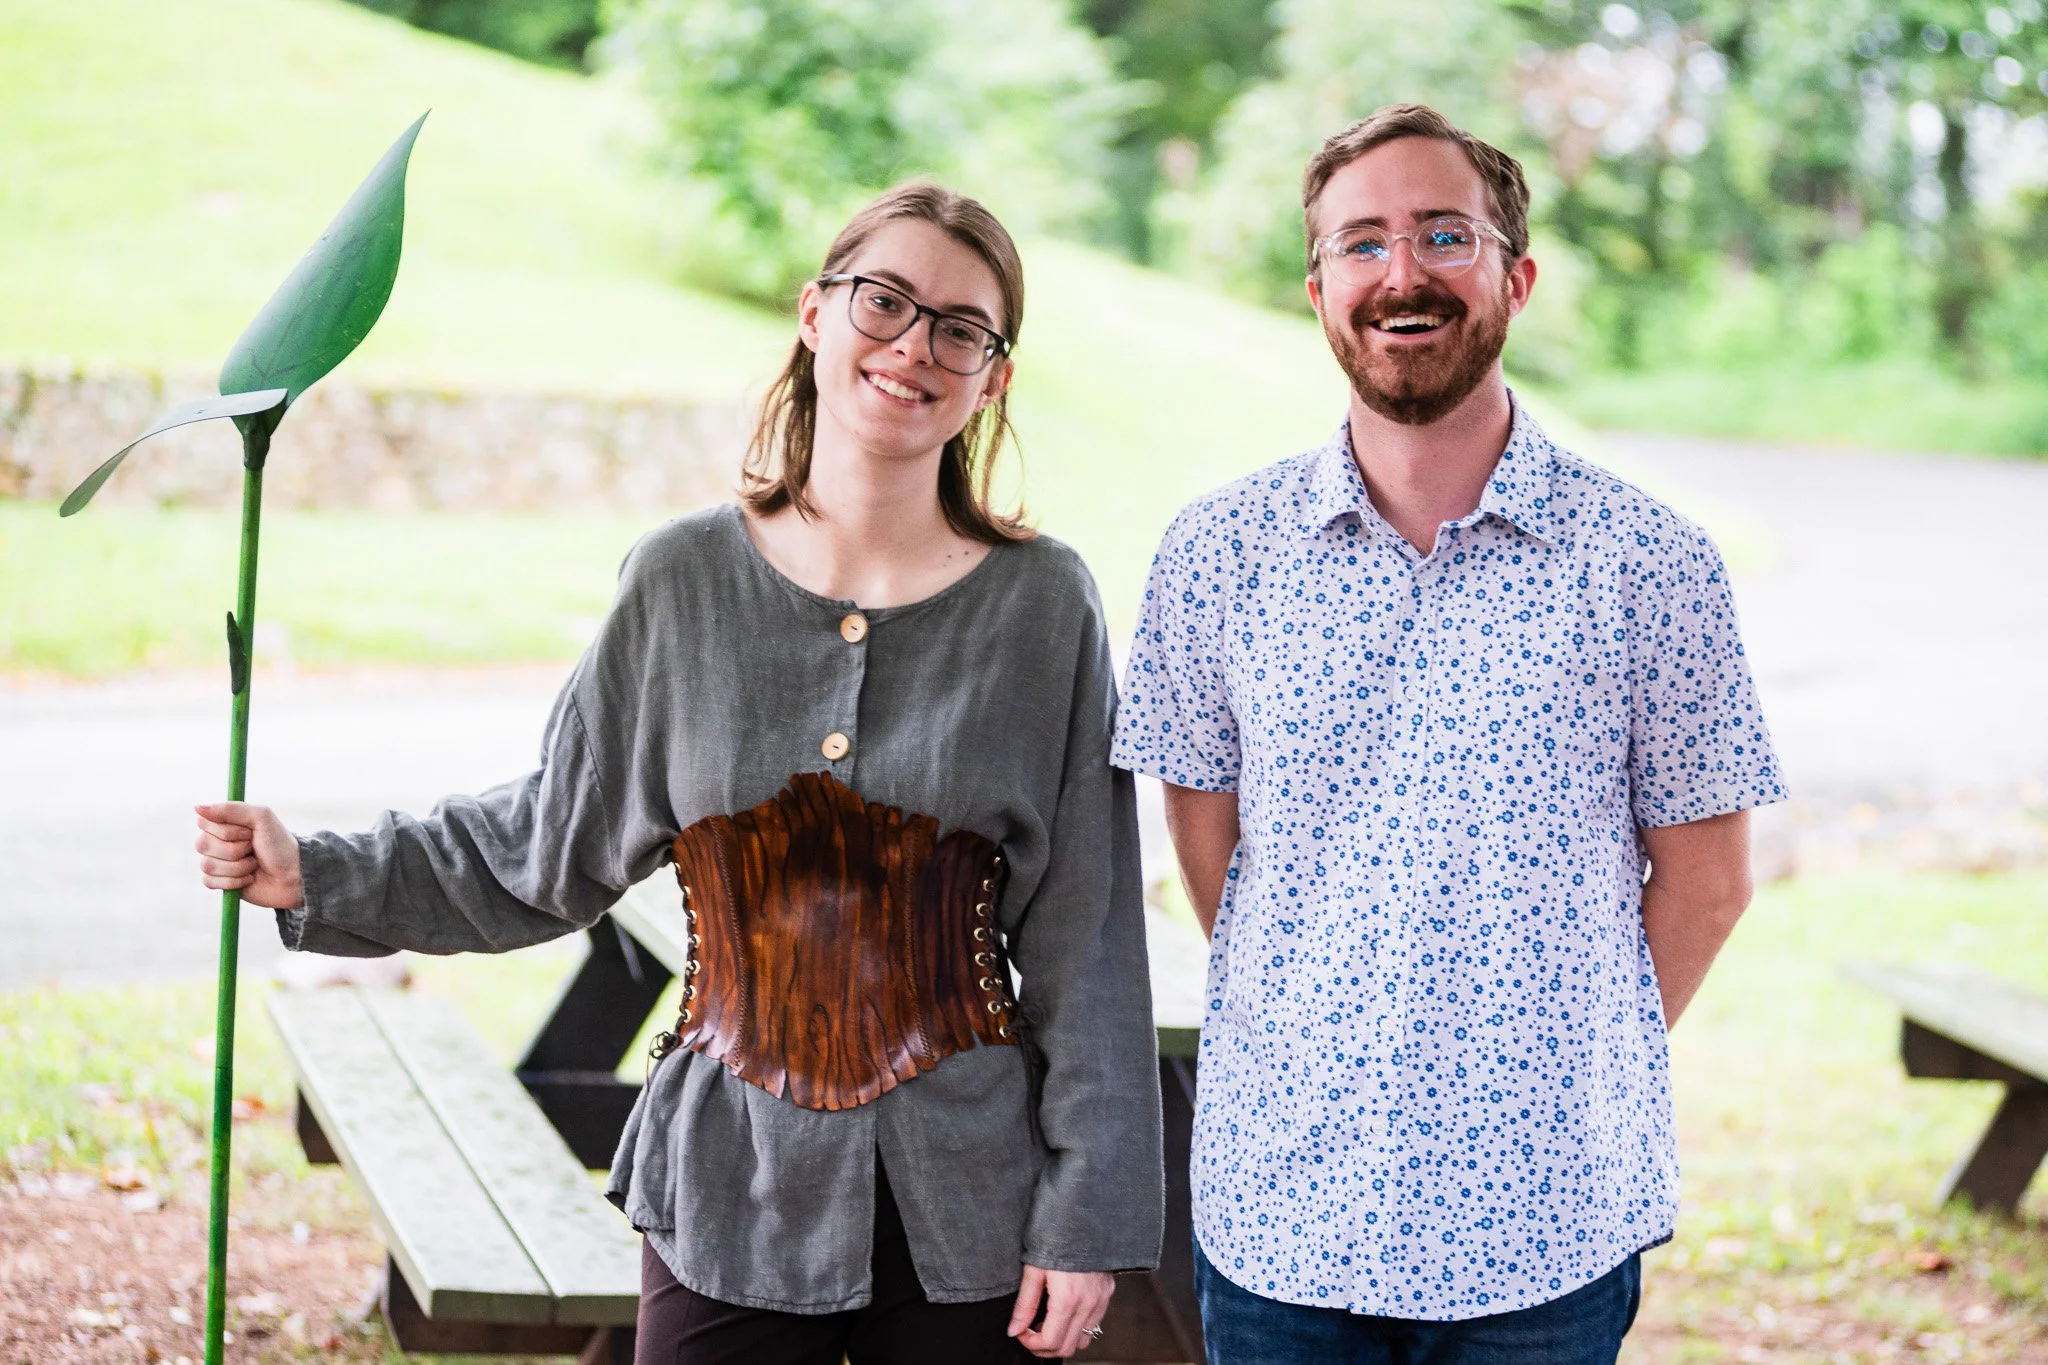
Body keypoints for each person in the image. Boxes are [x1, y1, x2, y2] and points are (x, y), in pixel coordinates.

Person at [194, 181, 1164, 1365]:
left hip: (972, 1202)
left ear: (992, 376)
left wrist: (1088, 1222)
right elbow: (549, 842)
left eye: (960, 327)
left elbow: (1090, 940)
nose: (914, 345)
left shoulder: (1043, 606)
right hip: (728, 1192)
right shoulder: (677, 583)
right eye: (884, 302)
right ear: (814, 315)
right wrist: (321, 871)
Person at [1111, 104, 1785, 1363]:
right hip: (1286, 1211)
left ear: (1513, 278)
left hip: (1552, 1219)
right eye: (1359, 245)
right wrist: (1335, 1014)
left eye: (1441, 236)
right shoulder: (1216, 556)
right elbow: (1214, 852)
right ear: (1316, 291)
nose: (1400, 274)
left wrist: (1550, 1057)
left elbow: (1706, 881)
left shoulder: (1651, 564)